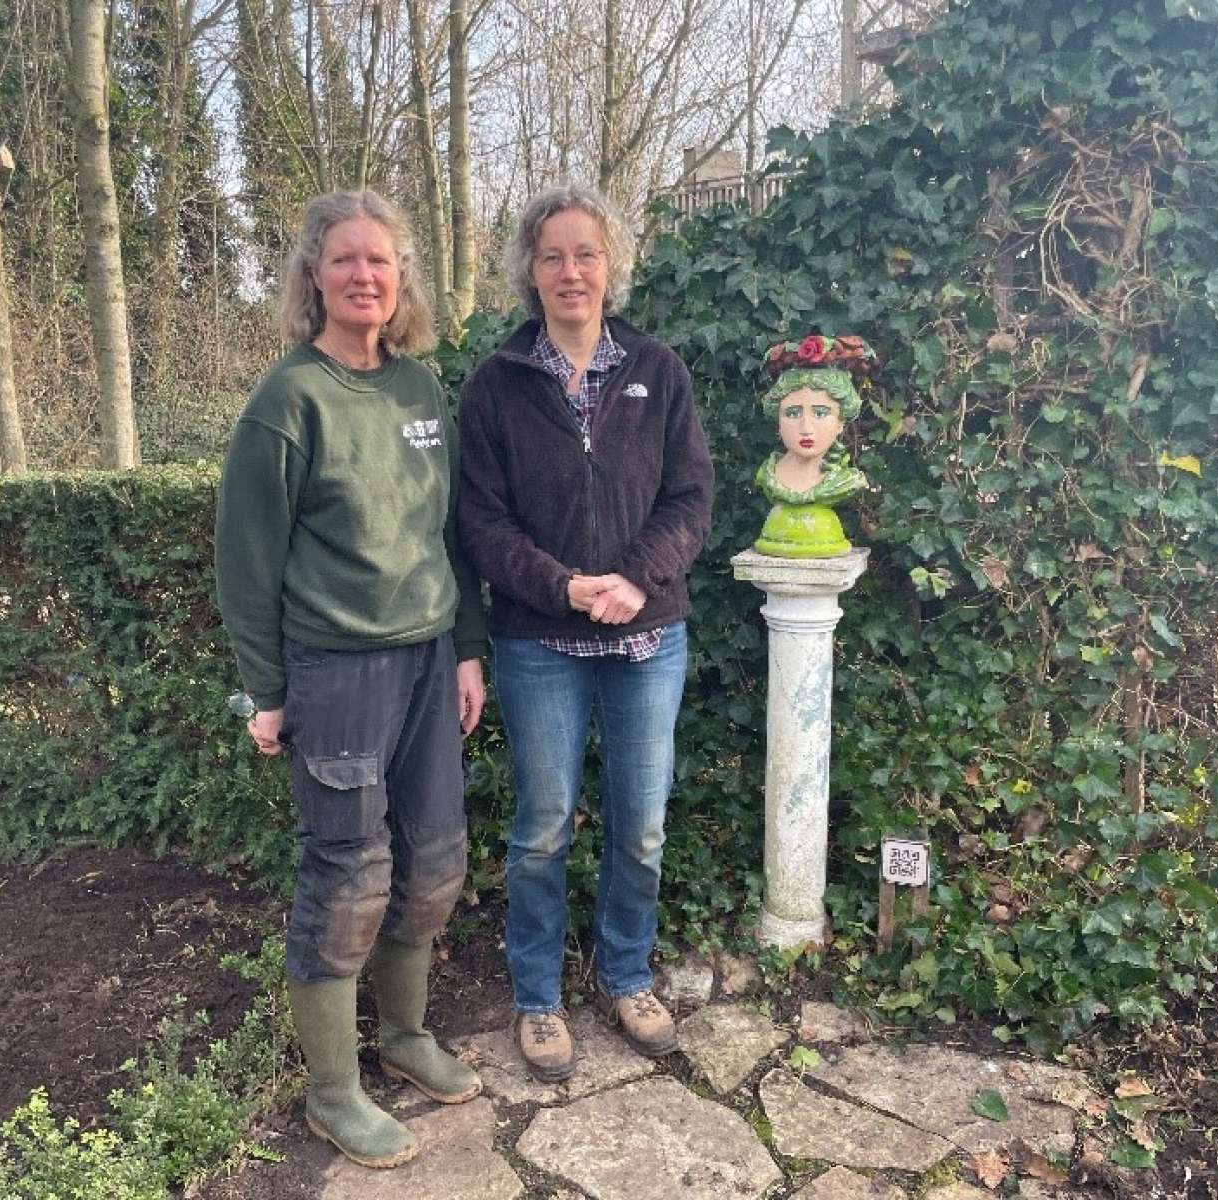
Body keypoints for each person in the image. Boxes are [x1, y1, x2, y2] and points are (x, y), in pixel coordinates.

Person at [214, 190, 487, 1169]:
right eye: (345, 259)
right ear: (314, 276)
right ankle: (333, 1091)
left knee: (435, 858)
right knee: (348, 874)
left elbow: (450, 533)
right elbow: (246, 561)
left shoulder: (421, 392)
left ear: (400, 278)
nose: (364, 275)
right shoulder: (287, 403)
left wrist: (466, 646)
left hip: (427, 660)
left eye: (380, 260)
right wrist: (265, 691)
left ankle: (404, 1036)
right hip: (334, 672)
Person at [456, 182, 714, 1083]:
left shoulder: (659, 370)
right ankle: (537, 996)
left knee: (641, 826)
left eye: (587, 254)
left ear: (612, 266)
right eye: (553, 256)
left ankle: (626, 974)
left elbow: (690, 497)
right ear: (530, 271)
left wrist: (637, 578)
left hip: (647, 640)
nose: (572, 271)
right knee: (541, 827)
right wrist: (562, 587)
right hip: (539, 644)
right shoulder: (494, 386)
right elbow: (481, 522)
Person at [753, 334, 873, 558]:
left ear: (840, 422)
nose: (806, 428)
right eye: (793, 413)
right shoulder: (767, 475)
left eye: (820, 413)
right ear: (778, 421)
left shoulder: (845, 481)